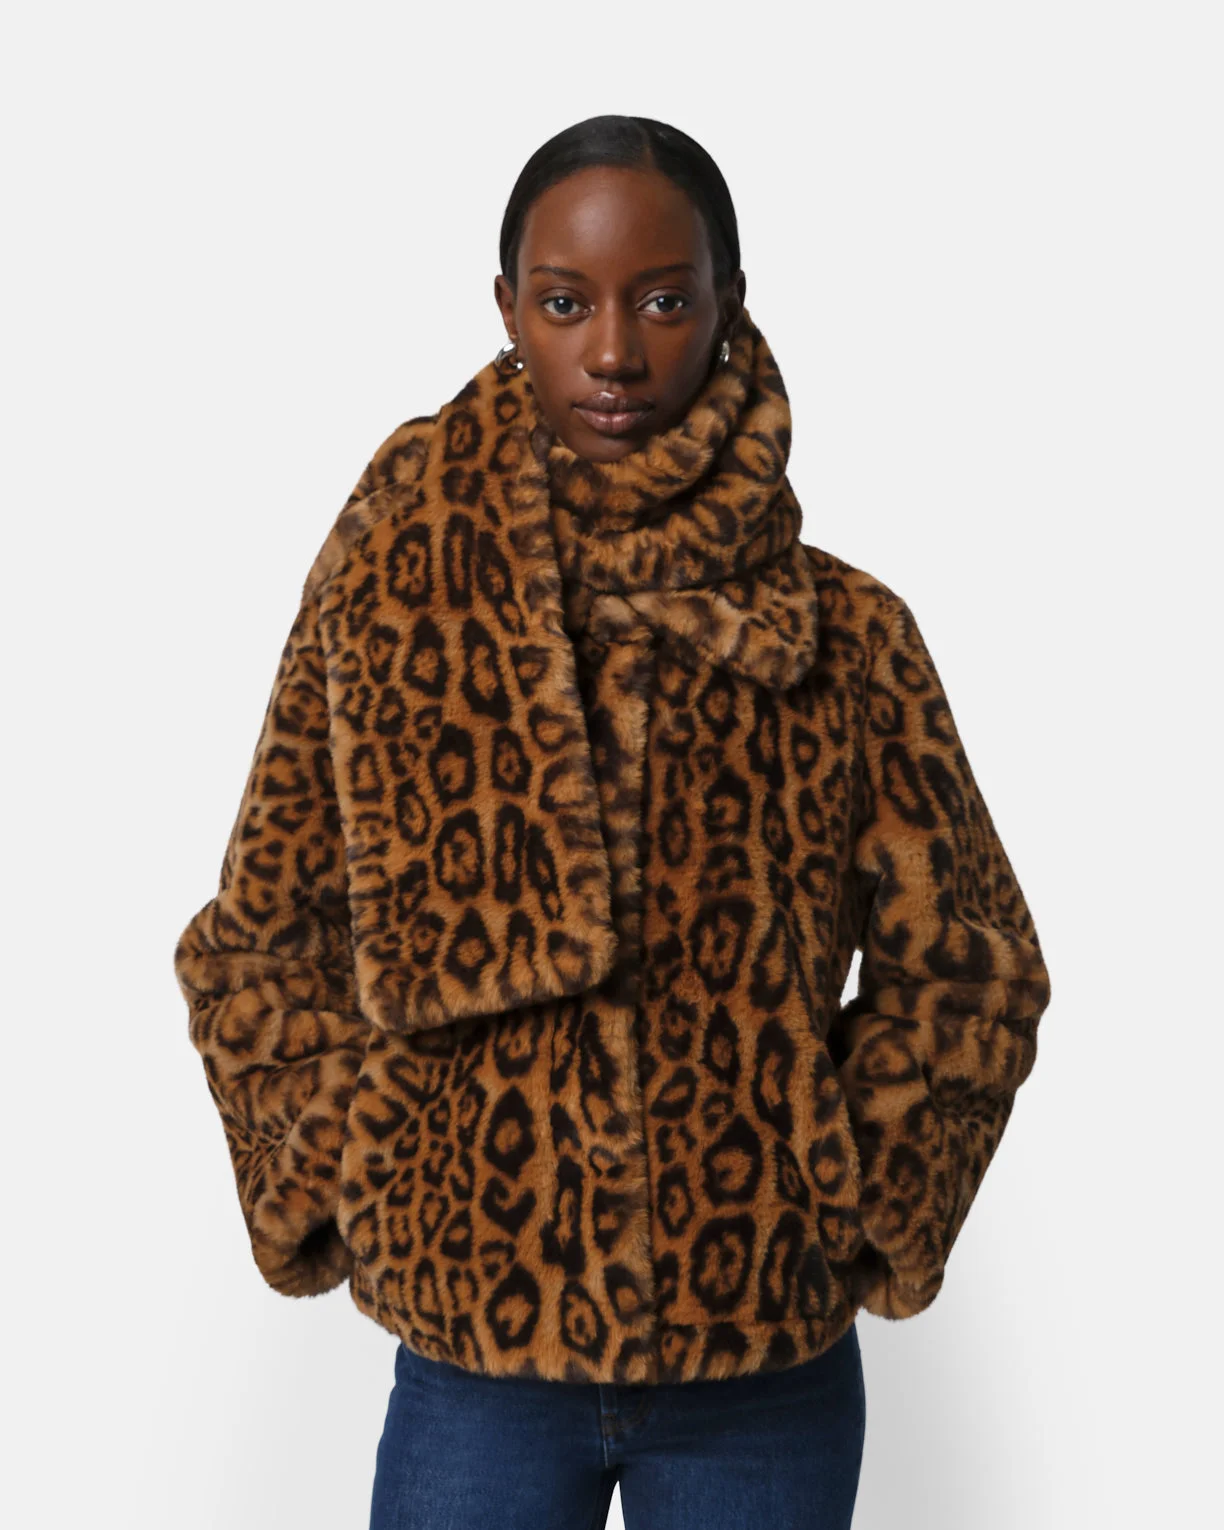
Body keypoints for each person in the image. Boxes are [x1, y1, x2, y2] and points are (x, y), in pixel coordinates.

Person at [173, 114, 1052, 1530]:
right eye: (565, 301)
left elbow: (973, 966)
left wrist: (858, 1187)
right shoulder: (391, 594)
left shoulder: (850, 635)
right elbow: (263, 934)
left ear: (728, 302)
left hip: (764, 1365)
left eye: (663, 299)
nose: (616, 353)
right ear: (506, 306)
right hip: (475, 1361)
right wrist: (359, 1163)